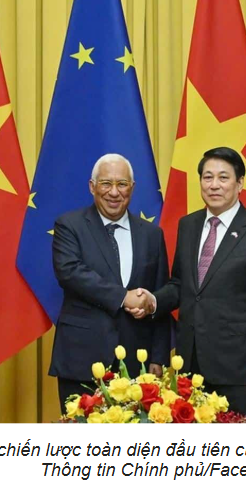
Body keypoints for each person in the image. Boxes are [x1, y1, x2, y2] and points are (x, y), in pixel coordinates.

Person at [129, 147, 246, 421]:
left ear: (240, 183)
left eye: (223, 177)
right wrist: (152, 301)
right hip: (191, 364)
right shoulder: (188, 225)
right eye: (207, 177)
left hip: (241, 368)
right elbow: (181, 285)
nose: (214, 185)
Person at [49, 153, 170, 412]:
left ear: (132, 188)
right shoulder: (70, 225)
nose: (114, 192)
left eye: (122, 184)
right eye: (106, 183)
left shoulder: (152, 234)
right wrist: (123, 297)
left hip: (137, 363)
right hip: (82, 359)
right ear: (92, 186)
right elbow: (70, 272)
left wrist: (158, 357)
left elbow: (159, 296)